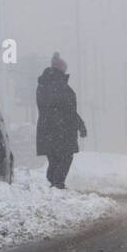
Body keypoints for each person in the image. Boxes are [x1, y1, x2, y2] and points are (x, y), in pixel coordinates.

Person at [36, 52, 87, 189]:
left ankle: (54, 181)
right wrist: (79, 124)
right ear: (61, 69)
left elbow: (53, 107)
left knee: (54, 158)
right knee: (65, 157)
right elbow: (67, 110)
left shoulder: (43, 85)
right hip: (62, 130)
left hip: (47, 129)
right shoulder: (60, 86)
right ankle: (57, 183)